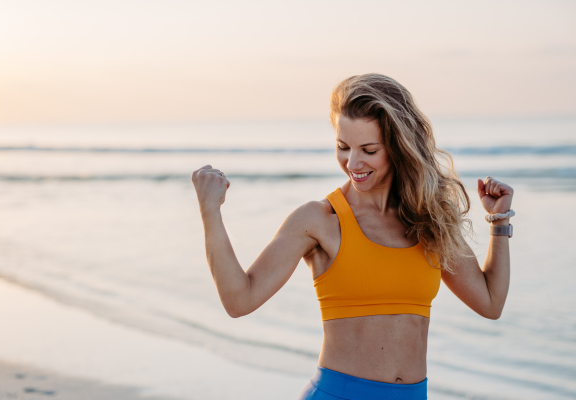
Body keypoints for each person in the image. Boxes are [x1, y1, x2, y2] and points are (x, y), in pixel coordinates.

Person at [191, 73, 513, 400]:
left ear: (399, 148)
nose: (353, 163)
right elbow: (238, 300)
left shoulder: (429, 220)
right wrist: (210, 211)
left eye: (369, 150)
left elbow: (490, 303)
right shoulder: (319, 220)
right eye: (343, 147)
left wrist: (498, 220)